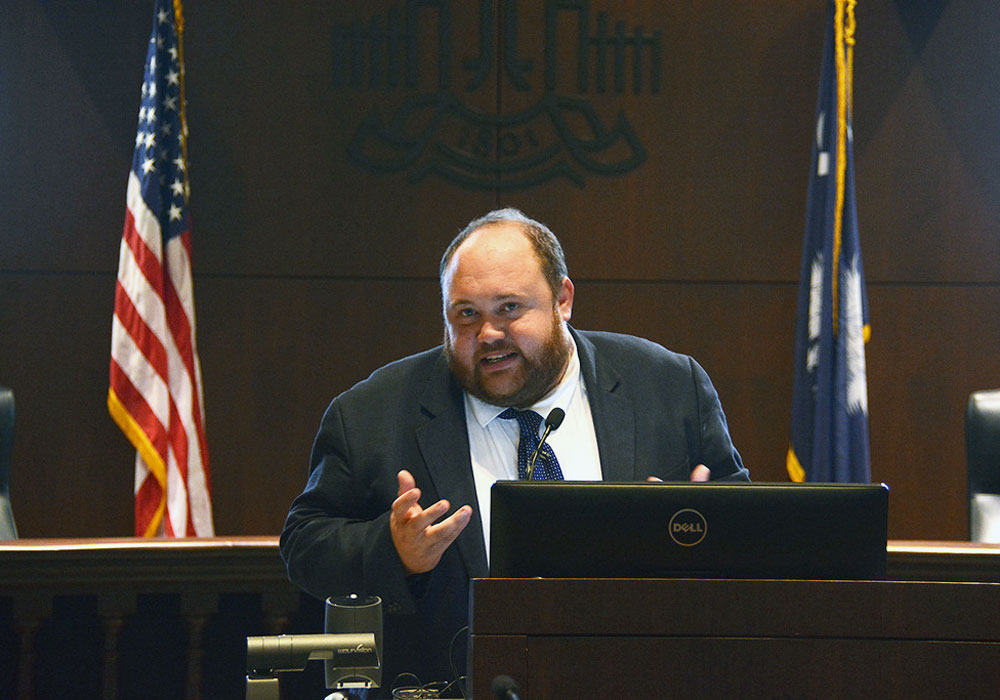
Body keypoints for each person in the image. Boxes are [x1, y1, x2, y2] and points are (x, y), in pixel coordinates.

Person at [280, 208, 749, 696]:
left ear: (563, 300)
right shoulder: (371, 413)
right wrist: (394, 551)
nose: (488, 334)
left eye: (509, 308)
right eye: (467, 314)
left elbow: (753, 535)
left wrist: (694, 536)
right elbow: (304, 543)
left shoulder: (669, 387)